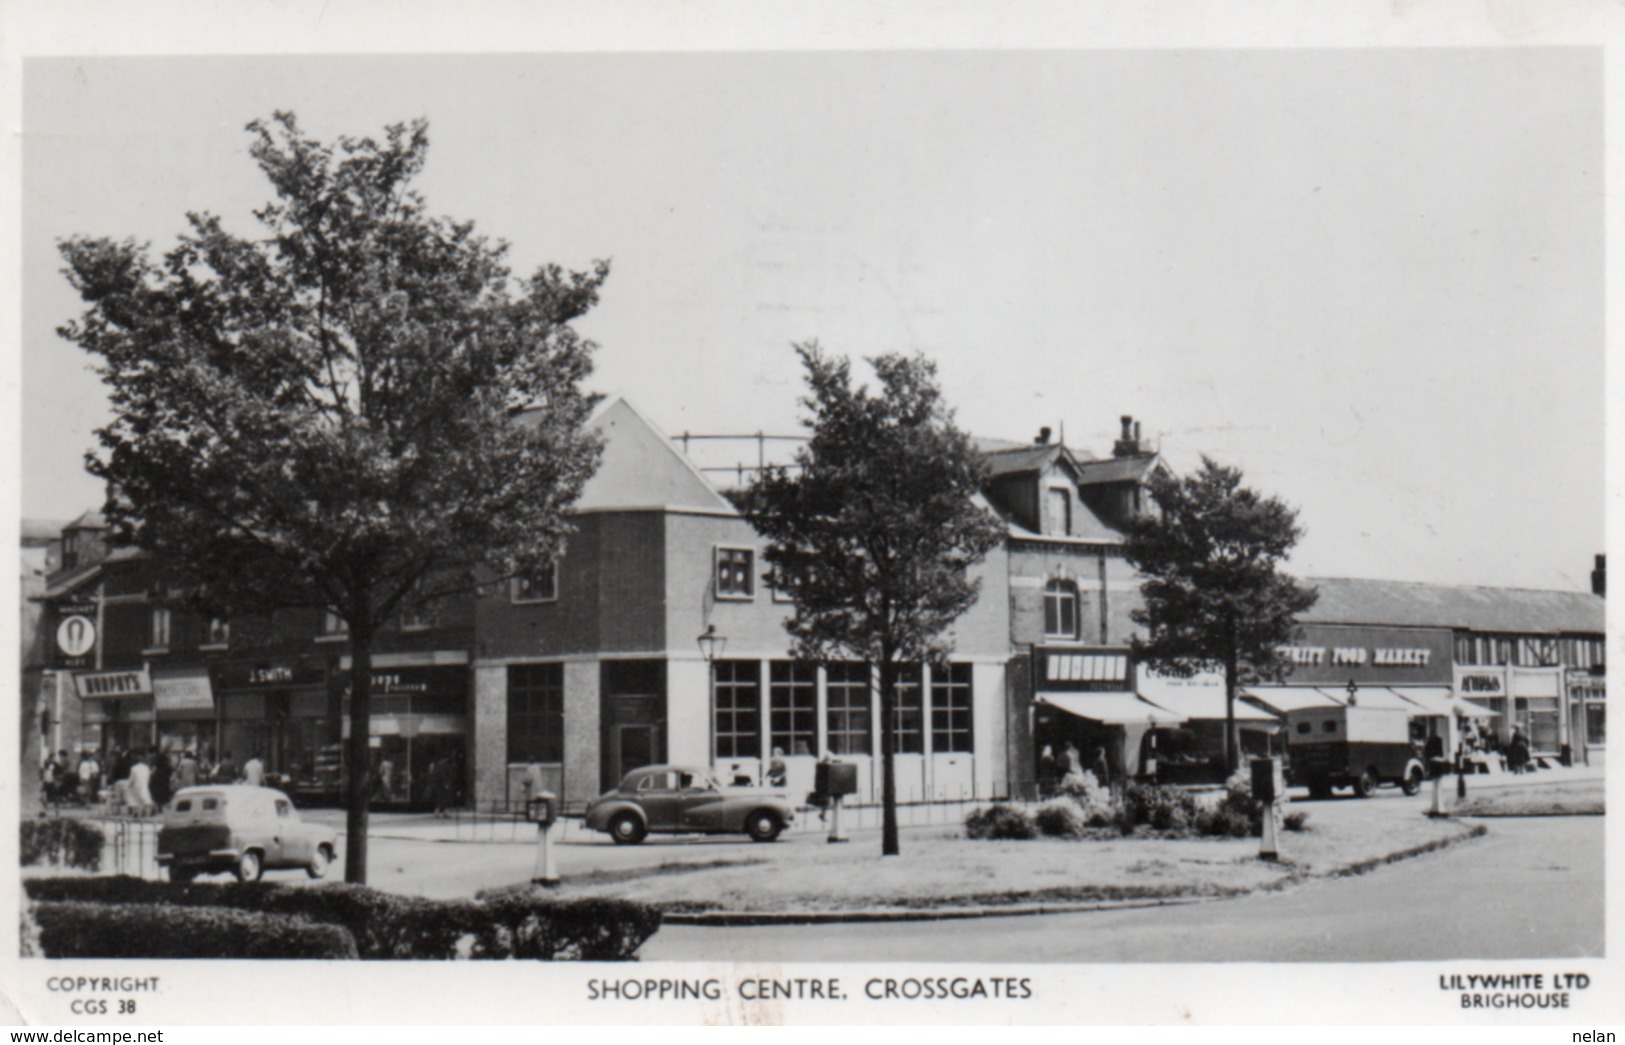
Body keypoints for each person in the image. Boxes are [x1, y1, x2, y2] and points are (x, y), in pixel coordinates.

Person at [127, 751, 154, 816]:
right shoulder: (146, 768)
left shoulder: (133, 768)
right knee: (145, 796)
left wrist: (129, 784)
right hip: (144, 784)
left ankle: (135, 811)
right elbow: (148, 777)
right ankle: (148, 810)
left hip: (136, 785)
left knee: (134, 796)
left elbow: (132, 779)